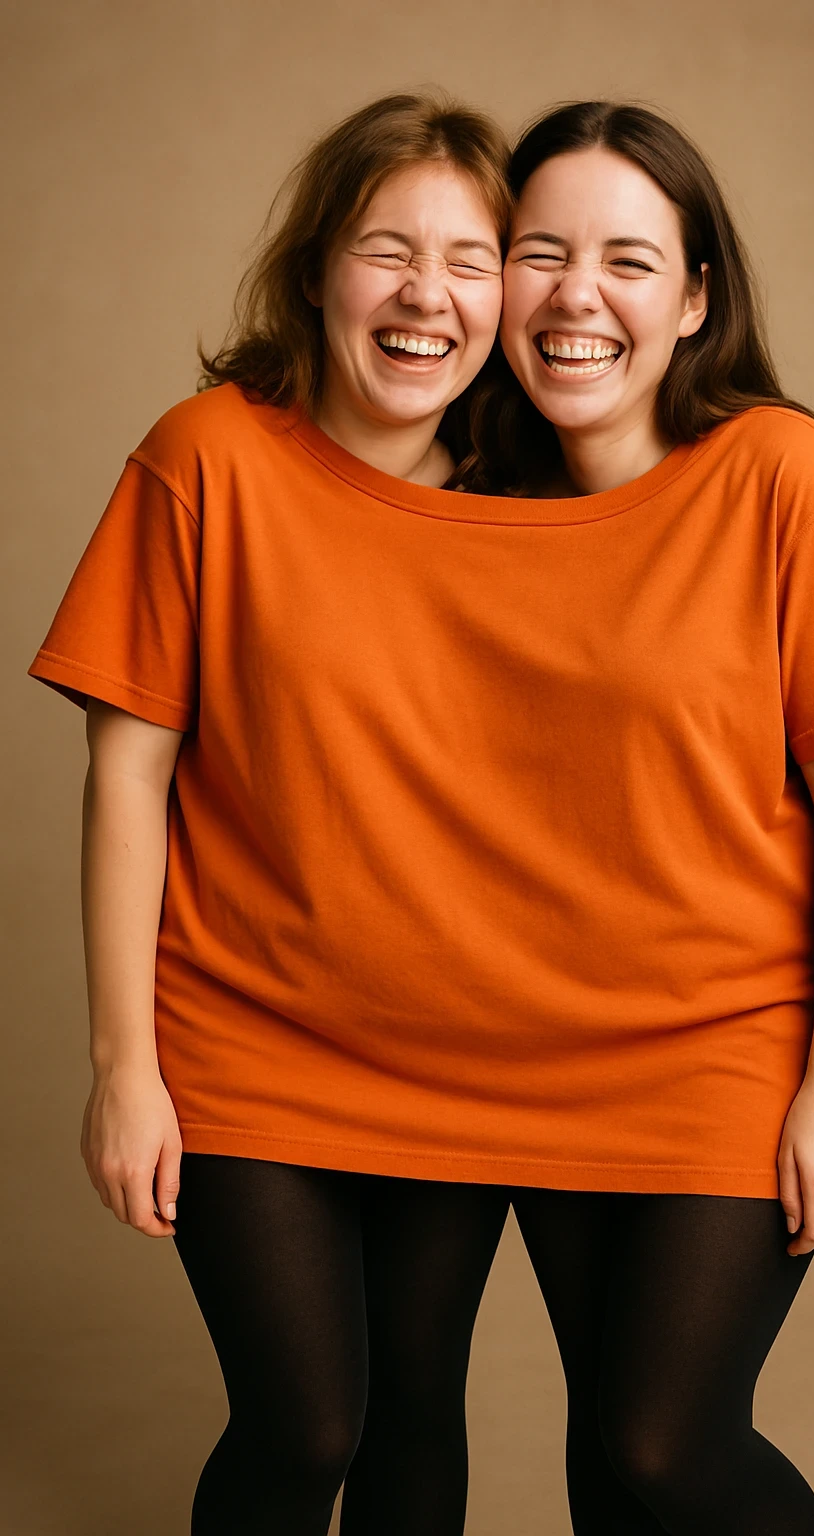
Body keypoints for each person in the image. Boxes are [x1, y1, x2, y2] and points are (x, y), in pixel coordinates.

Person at [446, 100, 814, 1534]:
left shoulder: (783, 474)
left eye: (626, 259)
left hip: (741, 1038)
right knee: (608, 1453)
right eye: (538, 253)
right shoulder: (461, 506)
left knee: (667, 1442)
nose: (574, 297)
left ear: (693, 300)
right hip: (538, 1045)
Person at [27, 92, 517, 1536]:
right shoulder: (206, 459)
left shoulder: (538, 500)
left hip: (464, 1045)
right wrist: (125, 1068)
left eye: (473, 259)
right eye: (387, 249)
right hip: (244, 1035)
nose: (428, 295)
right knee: (307, 1423)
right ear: (315, 270)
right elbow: (130, 773)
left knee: (420, 1404)